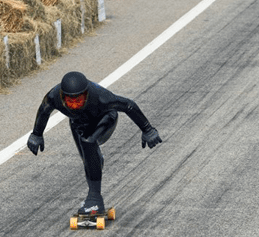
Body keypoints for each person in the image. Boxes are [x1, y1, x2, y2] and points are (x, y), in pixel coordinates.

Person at [27, 71, 162, 215]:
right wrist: (36, 134)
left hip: (105, 118)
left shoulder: (101, 97)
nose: (74, 105)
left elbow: (128, 105)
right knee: (88, 159)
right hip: (79, 124)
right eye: (70, 101)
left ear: (86, 95)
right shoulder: (53, 96)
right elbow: (44, 111)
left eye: (78, 100)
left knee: (89, 142)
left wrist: (147, 129)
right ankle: (95, 165)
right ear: (62, 96)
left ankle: (95, 200)